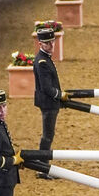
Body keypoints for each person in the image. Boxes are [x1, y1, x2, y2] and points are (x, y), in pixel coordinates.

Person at [33, 27, 63, 179]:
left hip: (49, 102)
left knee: (48, 135)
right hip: (48, 103)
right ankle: (42, 168)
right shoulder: (42, 61)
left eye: (52, 42)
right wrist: (60, 95)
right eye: (47, 43)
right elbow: (46, 88)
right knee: (47, 136)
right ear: (40, 44)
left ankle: (43, 166)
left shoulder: (44, 58)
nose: (51, 45)